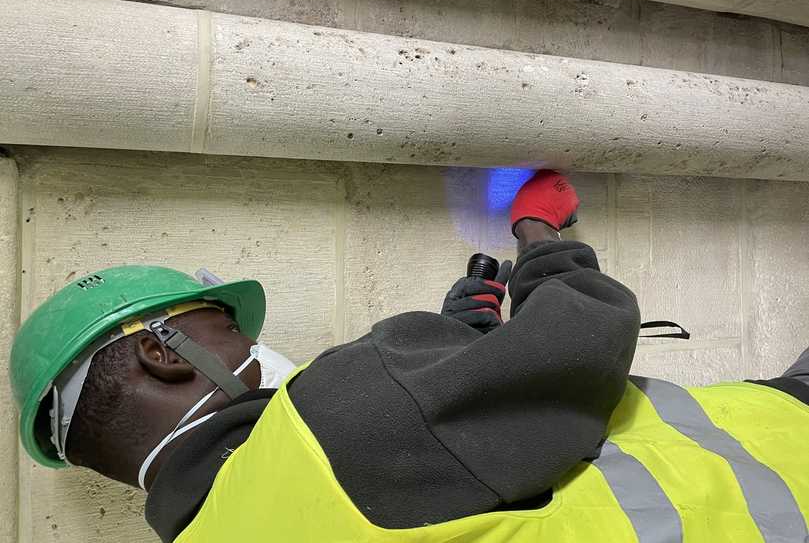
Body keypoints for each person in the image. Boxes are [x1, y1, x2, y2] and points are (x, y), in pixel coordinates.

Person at [9, 171, 809, 543]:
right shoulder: (330, 420)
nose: (249, 344)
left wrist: (459, 345)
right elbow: (584, 329)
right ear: (163, 352)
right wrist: (541, 235)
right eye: (222, 325)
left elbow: (445, 479)